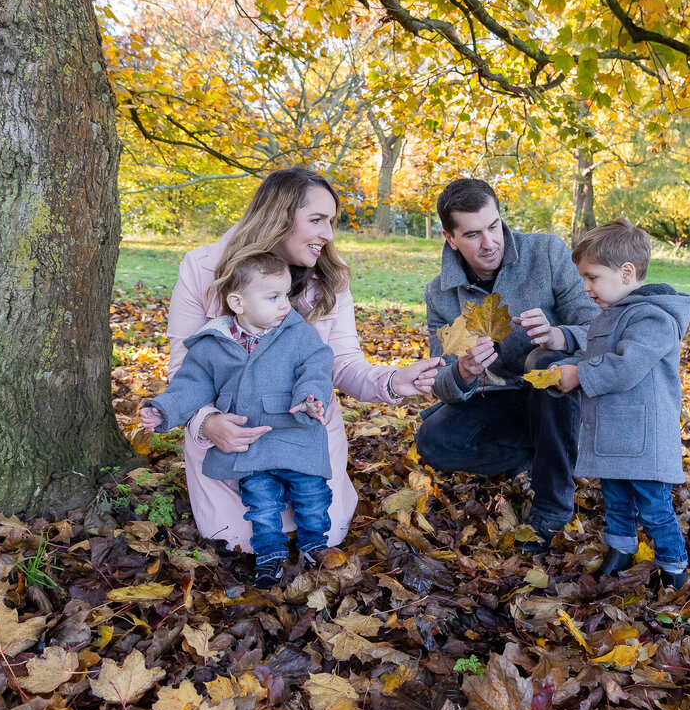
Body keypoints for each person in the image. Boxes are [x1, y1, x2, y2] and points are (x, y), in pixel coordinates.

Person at [166, 168, 442, 553]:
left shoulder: (329, 278)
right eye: (316, 220)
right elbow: (183, 369)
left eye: (331, 222)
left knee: (324, 534)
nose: (328, 234)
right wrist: (207, 422)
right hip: (233, 437)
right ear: (277, 218)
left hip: (303, 432)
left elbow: (342, 363)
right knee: (238, 541)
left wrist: (395, 381)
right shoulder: (202, 269)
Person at [415, 178, 599, 551]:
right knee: (432, 440)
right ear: (450, 238)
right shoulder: (440, 294)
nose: (489, 243)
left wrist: (558, 335)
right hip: (498, 398)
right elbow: (442, 382)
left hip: (559, 393)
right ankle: (539, 459)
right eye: (472, 235)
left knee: (542, 359)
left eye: (494, 226)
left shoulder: (546, 252)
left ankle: (552, 505)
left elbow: (598, 325)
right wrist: (464, 370)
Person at [142, 252, 334, 587]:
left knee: (312, 494)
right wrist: (164, 409)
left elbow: (316, 365)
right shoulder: (214, 343)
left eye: (286, 295)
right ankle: (269, 554)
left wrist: (310, 398)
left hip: (294, 436)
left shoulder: (298, 334)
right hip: (250, 444)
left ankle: (313, 544)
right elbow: (191, 384)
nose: (284, 305)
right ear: (238, 302)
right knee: (260, 503)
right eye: (272, 297)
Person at [551, 218, 690, 587]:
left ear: (626, 272)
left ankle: (674, 567)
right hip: (614, 435)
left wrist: (580, 376)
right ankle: (620, 550)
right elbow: (592, 357)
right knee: (615, 500)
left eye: (592, 277)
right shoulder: (608, 315)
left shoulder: (653, 317)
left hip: (643, 437)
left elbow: (624, 366)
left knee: (654, 507)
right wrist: (564, 369)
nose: (585, 287)